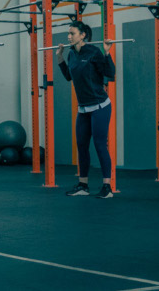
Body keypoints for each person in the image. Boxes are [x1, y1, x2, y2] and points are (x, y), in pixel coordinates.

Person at [56, 21, 116, 199]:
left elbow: (110, 74)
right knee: (81, 146)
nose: (69, 36)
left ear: (83, 35)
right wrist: (59, 56)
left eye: (72, 33)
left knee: (99, 145)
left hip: (100, 106)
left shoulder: (94, 52)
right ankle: (83, 185)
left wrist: (107, 51)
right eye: (68, 33)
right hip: (83, 108)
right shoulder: (72, 54)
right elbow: (68, 76)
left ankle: (107, 187)